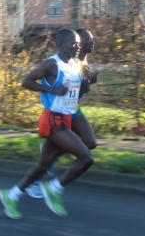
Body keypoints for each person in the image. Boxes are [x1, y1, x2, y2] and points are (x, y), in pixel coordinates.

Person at [0, 28, 94, 219]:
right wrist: (52, 90)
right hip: (53, 119)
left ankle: (11, 195)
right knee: (86, 158)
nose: (78, 47)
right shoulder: (52, 64)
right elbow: (26, 81)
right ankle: (54, 188)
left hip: (67, 116)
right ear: (61, 45)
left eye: (78, 44)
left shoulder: (76, 64)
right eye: (73, 44)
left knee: (43, 166)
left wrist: (86, 82)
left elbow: (76, 92)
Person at [25, 28, 98, 199]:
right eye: (88, 40)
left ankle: (54, 158)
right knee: (51, 159)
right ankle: (37, 181)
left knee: (89, 143)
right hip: (58, 112)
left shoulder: (82, 60)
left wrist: (88, 82)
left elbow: (77, 93)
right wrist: (57, 90)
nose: (91, 43)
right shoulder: (67, 59)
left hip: (73, 109)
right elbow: (34, 81)